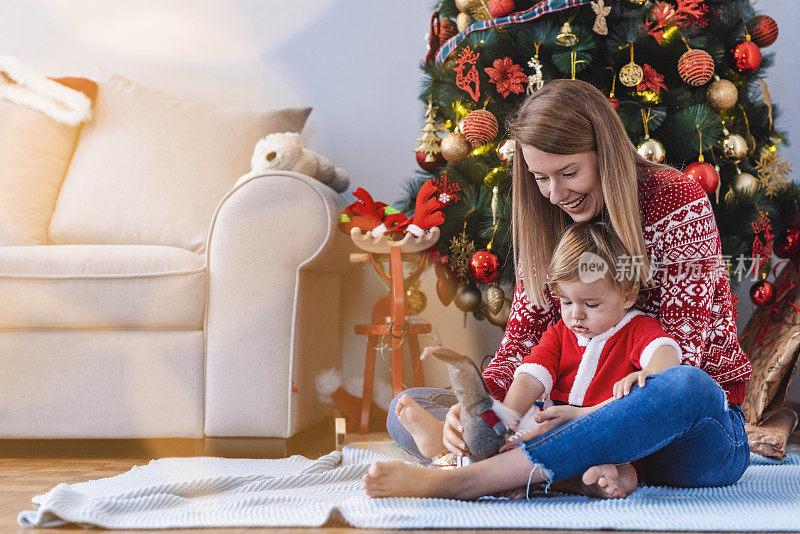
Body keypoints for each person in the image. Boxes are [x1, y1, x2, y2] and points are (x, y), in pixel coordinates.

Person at [372, 79, 751, 500]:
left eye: (569, 173)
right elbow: (520, 345)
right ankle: (566, 471)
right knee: (407, 407)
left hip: (681, 436)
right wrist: (483, 411)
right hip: (560, 418)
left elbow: (680, 355)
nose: (555, 194)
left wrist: (583, 418)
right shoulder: (545, 217)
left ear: (604, 154)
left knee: (686, 386)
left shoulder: (675, 200)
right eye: (541, 178)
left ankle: (471, 479)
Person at [414, 222, 683, 463]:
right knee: (525, 426)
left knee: (623, 464)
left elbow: (666, 352)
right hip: (551, 425)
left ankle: (579, 480)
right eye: (566, 302)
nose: (576, 314)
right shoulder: (560, 333)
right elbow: (531, 376)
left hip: (603, 429)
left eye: (591, 304)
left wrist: (649, 373)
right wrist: (508, 419)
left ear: (626, 297)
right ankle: (455, 443)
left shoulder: (635, 328)